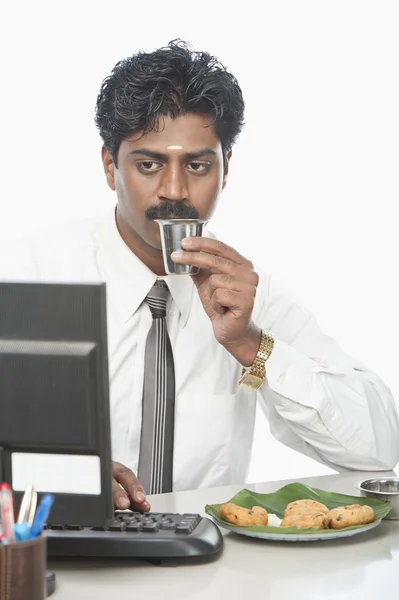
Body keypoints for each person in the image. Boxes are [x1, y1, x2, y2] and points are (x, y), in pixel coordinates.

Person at [2, 40, 398, 513]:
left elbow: (376, 450)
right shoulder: (33, 273)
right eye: (148, 165)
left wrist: (253, 346)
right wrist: (59, 474)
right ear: (111, 167)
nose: (174, 190)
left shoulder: (249, 294)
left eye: (197, 165)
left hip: (207, 568)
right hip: (65, 560)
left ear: (226, 169)